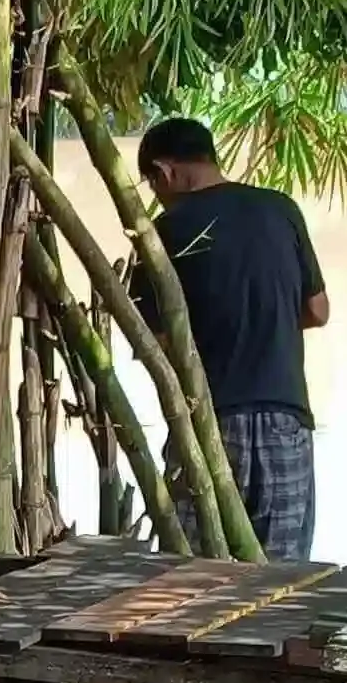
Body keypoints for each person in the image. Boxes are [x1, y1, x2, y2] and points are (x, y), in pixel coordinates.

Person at [140, 115, 329, 560]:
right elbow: (317, 310)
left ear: (164, 172)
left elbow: (155, 341)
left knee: (192, 580)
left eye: (153, 185)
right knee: (280, 580)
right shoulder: (281, 209)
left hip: (209, 422)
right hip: (286, 420)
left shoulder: (162, 233)